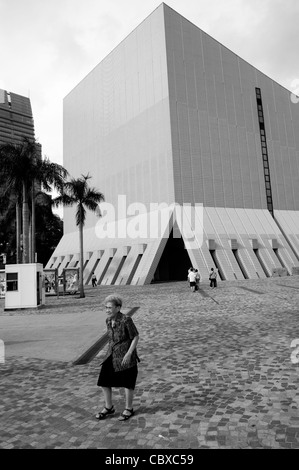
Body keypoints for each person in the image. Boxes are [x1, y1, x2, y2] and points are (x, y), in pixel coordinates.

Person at [96, 294, 140, 421]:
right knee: (104, 381)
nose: (107, 310)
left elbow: (135, 336)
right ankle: (109, 407)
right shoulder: (108, 320)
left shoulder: (126, 320)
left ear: (118, 307)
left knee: (127, 383)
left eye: (110, 307)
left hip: (126, 355)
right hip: (111, 354)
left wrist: (129, 353)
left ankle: (129, 408)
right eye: (106, 307)